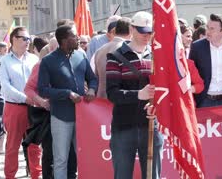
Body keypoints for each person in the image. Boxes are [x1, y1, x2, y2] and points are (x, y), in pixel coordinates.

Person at [106, 11, 163, 179]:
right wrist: (139, 94)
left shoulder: (157, 56)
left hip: (152, 125)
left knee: (153, 176)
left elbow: (165, 90)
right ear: (131, 29)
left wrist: (157, 104)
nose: (147, 35)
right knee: (122, 175)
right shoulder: (115, 57)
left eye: (150, 32)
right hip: (124, 126)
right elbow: (112, 93)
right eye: (142, 31)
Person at [38, 25, 98, 178]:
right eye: (74, 36)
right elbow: (42, 90)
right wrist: (67, 93)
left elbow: (92, 79)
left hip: (83, 117)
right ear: (64, 40)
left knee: (85, 158)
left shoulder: (81, 55)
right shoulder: (48, 61)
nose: (78, 38)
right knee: (60, 159)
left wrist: (91, 89)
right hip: (60, 117)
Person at [0, 27, 41, 179]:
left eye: (29, 39)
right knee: (12, 146)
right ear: (14, 39)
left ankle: (36, 174)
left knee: (34, 145)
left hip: (34, 108)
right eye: (24, 38)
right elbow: (6, 88)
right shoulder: (4, 62)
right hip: (15, 108)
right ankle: (10, 176)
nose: (28, 41)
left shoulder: (34, 59)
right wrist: (26, 98)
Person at [189, 14, 222, 108]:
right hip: (204, 100)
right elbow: (190, 72)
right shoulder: (197, 47)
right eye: (207, 27)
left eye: (212, 29)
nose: (208, 31)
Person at [93, 18, 132, 98]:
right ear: (131, 31)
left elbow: (96, 77)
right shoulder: (127, 49)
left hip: (102, 99)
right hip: (120, 100)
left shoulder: (99, 50)